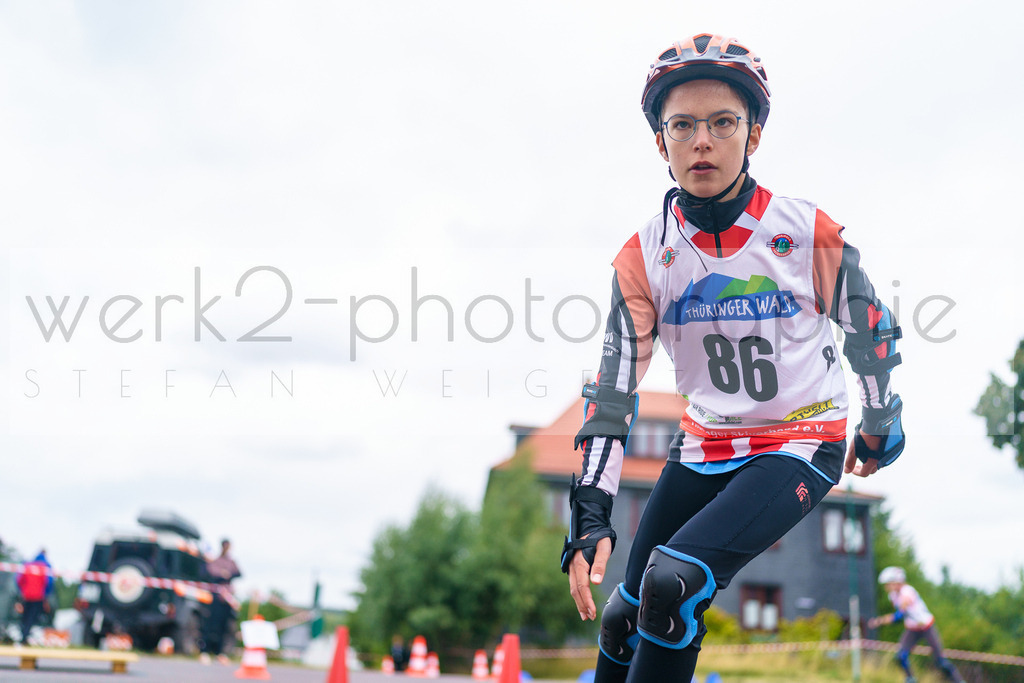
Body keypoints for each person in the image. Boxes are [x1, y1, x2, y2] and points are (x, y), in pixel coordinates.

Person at [561, 34, 906, 682]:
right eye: (683, 124)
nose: (702, 141)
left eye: (723, 123)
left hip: (799, 440)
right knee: (625, 616)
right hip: (706, 441)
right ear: (659, 141)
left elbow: (870, 328)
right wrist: (590, 516)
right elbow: (613, 392)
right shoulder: (644, 256)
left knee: (676, 580)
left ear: (753, 135)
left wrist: (880, 421)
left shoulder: (802, 231)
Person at [868, 567, 964, 683]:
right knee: (901, 657)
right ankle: (911, 679)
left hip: (926, 627)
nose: (886, 587)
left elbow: (899, 616)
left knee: (941, 662)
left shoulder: (907, 591)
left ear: (896, 582)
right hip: (912, 629)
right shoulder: (893, 596)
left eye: (888, 584)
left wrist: (879, 621)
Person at [199, 538, 241, 665]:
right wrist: (221, 574)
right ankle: (205, 651)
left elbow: (239, 573)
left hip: (227, 600)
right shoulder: (216, 561)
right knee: (210, 625)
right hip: (215, 598)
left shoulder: (231, 562)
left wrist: (229, 574)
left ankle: (220, 652)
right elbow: (208, 573)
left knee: (224, 627)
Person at [16, 550, 54, 645]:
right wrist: (46, 595)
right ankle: (25, 637)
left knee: (24, 617)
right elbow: (49, 583)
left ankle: (23, 635)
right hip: (38, 597)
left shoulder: (27, 565)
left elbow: (19, 580)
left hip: (26, 596)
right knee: (32, 618)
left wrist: (22, 591)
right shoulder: (45, 567)